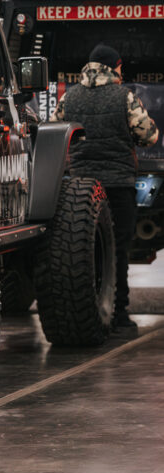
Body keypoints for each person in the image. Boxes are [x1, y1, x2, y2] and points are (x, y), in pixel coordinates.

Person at [52, 43, 159, 332]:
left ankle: (90, 314)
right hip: (119, 186)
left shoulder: (69, 98)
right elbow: (148, 135)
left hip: (81, 188)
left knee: (85, 251)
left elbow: (54, 132)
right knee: (118, 251)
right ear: (114, 67)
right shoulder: (124, 97)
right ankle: (119, 316)